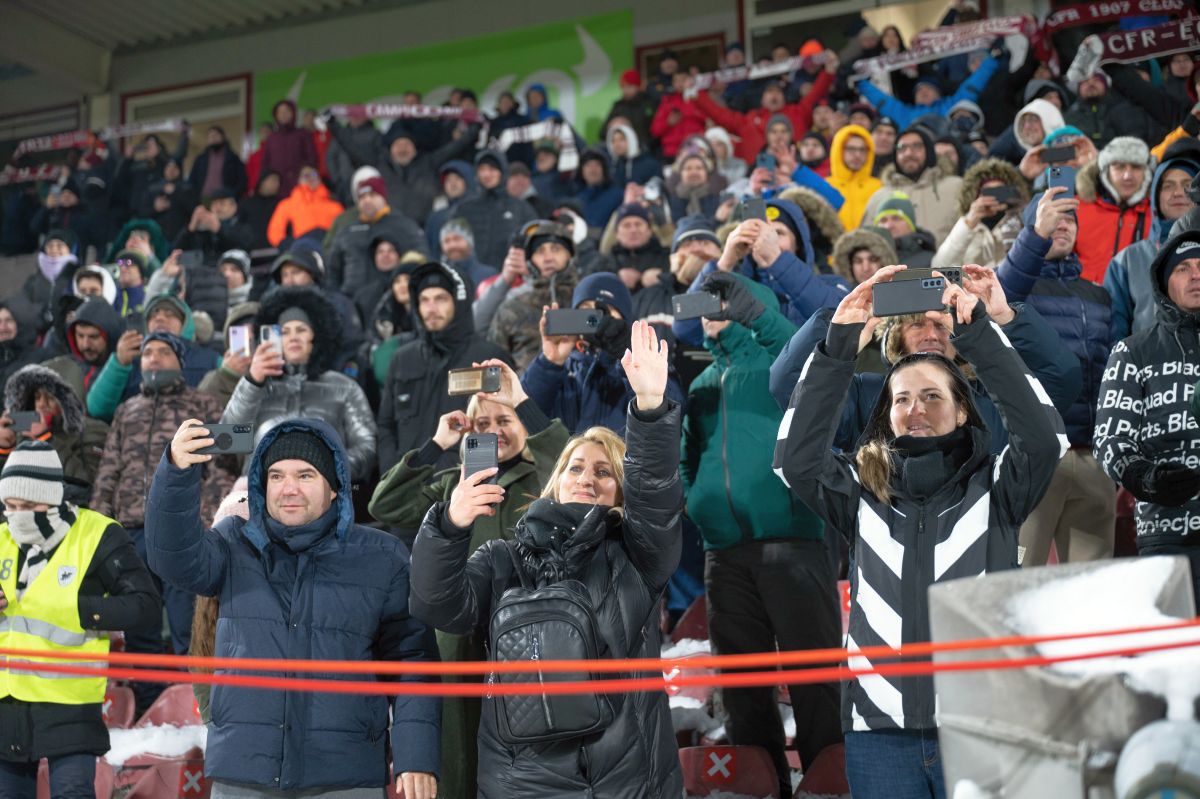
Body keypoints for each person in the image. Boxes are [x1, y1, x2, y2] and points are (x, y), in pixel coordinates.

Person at [774, 265, 1064, 798]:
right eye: (902, 399)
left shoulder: (999, 485)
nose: (915, 410)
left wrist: (979, 335)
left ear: (962, 412)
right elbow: (795, 459)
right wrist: (839, 344)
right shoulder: (861, 491)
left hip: (984, 727)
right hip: (879, 731)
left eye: (932, 396)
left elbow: (1045, 438)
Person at [410, 320, 683, 799]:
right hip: (523, 782)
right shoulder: (501, 559)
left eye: (604, 472)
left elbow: (656, 492)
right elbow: (436, 604)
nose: (586, 478)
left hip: (625, 781)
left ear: (622, 492)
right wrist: (449, 527)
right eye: (575, 467)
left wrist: (649, 406)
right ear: (555, 482)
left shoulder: (639, 557)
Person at [147, 418, 441, 798]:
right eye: (276, 476)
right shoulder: (233, 541)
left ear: (334, 488)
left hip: (345, 777)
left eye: (305, 475)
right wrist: (176, 472)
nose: (289, 488)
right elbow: (172, 559)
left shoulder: (383, 556)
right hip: (244, 774)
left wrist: (415, 755)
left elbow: (414, 661)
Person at [370, 360, 569, 799]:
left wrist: (523, 403)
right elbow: (385, 505)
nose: (494, 431)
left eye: (505, 420)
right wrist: (437, 444)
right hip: (456, 638)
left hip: (528, 637)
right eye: (482, 424)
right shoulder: (452, 486)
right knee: (458, 756)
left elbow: (566, 459)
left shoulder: (547, 479)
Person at [682, 271, 841, 798]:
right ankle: (761, 787)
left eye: (722, 301)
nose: (712, 311)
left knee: (814, 679)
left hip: (791, 541)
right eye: (706, 302)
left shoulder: (778, 365)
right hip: (723, 553)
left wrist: (751, 313)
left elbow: (807, 352)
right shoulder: (702, 383)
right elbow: (687, 458)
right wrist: (698, 502)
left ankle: (828, 785)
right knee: (742, 687)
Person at [769, 265, 1083, 458]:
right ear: (896, 337)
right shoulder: (867, 395)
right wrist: (835, 324)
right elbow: (789, 386)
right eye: (917, 324)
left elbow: (1060, 380)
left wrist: (1005, 317)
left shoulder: (992, 393)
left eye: (942, 324)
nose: (931, 334)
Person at [0, 441, 159, 798]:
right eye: (10, 506)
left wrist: (74, 609)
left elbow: (146, 606)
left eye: (29, 506)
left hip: (70, 703)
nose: (18, 516)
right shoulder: (2, 535)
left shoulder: (98, 534)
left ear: (52, 499)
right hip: (6, 704)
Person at [996, 186, 1116, 565]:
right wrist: (1035, 237)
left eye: (1070, 218)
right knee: (1019, 578)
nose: (1063, 225)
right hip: (1035, 456)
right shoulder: (1011, 289)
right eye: (1052, 217)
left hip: (1092, 456)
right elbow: (998, 296)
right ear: (1032, 226)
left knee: (1094, 582)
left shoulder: (1098, 294)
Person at [1094, 231, 1200, 604]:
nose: (1196, 275)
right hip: (1167, 533)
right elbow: (1110, 440)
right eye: (1183, 268)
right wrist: (1145, 478)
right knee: (1175, 641)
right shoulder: (1132, 351)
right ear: (1163, 282)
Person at [221, 287, 377, 484]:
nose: (293, 337)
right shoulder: (256, 386)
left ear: (316, 336)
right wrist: (252, 382)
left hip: (326, 493)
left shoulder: (344, 387)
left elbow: (367, 446)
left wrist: (329, 470)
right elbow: (227, 442)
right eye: (284, 332)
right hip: (263, 492)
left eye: (301, 330)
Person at [377, 262, 512, 473]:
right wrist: (392, 474)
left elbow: (505, 425)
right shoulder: (402, 358)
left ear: (458, 303)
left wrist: (482, 479)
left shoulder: (490, 357)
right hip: (409, 484)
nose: (431, 309)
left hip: (466, 482)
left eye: (440, 299)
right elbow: (386, 426)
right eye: (424, 300)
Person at [522, 271, 684, 436]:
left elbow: (670, 415)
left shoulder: (644, 361)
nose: (594, 319)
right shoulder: (564, 368)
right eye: (585, 310)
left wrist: (628, 354)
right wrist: (549, 363)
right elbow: (523, 418)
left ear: (624, 318)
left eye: (604, 311)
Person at [675, 199, 849, 348]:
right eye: (759, 233)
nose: (767, 238)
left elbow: (844, 325)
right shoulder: (736, 290)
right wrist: (725, 263)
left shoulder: (831, 283)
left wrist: (777, 260)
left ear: (798, 243)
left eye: (778, 233)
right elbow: (685, 329)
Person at [1104, 147, 1200, 337]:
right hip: (1145, 355)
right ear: (1155, 196)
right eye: (1168, 186)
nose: (1178, 193)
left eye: (1187, 185)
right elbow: (1115, 333)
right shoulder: (1127, 260)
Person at [84, 293, 220, 423]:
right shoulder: (130, 357)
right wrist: (118, 364)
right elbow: (98, 410)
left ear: (185, 323)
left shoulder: (211, 359)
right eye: (153, 316)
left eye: (170, 314)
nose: (159, 318)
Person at [694, 54, 839, 163]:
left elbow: (816, 93)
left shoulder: (798, 112)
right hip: (759, 176)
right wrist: (696, 93)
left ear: (784, 97)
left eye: (778, 92)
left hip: (797, 171)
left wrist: (828, 72)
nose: (774, 95)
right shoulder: (749, 119)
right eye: (769, 92)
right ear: (762, 99)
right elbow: (719, 114)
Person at [1, 363, 109, 505]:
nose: (41, 404)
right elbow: (8, 487)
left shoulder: (93, 430)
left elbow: (88, 482)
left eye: (51, 397)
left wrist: (47, 439)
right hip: (21, 511)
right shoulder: (25, 431)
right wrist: (5, 448)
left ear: (69, 401)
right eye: (36, 397)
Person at [488, 220, 579, 371]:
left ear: (570, 254)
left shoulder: (586, 301)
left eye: (556, 249)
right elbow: (494, 364)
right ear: (530, 260)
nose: (548, 258)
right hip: (524, 385)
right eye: (540, 251)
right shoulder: (513, 308)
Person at [325, 175, 427, 300]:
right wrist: (336, 297)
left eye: (372, 195)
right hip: (350, 299)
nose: (367, 200)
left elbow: (421, 258)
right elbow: (333, 270)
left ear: (383, 197)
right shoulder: (347, 231)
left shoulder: (404, 225)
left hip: (391, 298)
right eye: (362, 197)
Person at [864, 125, 964, 246]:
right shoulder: (880, 196)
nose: (908, 153)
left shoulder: (956, 187)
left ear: (929, 151)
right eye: (902, 148)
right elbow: (867, 242)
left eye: (916, 146)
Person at [1076, 136, 1155, 283]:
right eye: (1119, 167)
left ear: (1147, 172)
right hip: (1082, 294)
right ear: (1106, 171)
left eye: (1136, 167)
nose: (1127, 176)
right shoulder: (1077, 207)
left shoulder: (1158, 213)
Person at [933, 158, 1030, 271]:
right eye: (988, 192)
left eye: (1000, 192)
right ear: (976, 195)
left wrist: (1018, 213)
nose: (994, 198)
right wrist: (969, 223)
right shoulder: (965, 229)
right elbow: (939, 266)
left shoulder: (1020, 223)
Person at [451, 149, 538, 271]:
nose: (486, 174)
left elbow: (534, 243)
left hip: (510, 276)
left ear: (502, 172)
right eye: (482, 169)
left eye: (492, 169)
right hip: (471, 277)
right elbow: (451, 244)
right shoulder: (463, 209)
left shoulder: (521, 208)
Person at [40, 296, 122, 403]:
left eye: (93, 337)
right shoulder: (63, 366)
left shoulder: (123, 371)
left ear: (109, 336)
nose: (85, 345)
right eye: (80, 336)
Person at [266, 164, 344, 246]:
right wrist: (286, 244)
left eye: (313, 174)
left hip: (328, 247)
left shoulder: (334, 205)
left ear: (319, 178)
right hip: (302, 248)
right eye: (305, 175)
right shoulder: (288, 204)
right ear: (298, 179)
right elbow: (275, 231)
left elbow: (344, 227)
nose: (310, 178)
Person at [828, 125, 881, 230]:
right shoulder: (826, 186)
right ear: (839, 150)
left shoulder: (879, 187)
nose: (857, 155)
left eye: (862, 150)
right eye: (851, 149)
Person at [261, 99, 317, 196]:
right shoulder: (272, 138)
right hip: (277, 188)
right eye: (280, 112)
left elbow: (312, 160)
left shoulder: (302, 134)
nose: (283, 114)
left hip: (301, 186)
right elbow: (265, 163)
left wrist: (312, 179)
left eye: (287, 111)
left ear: (293, 113)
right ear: (276, 116)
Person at [871, 192, 937, 269]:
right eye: (883, 220)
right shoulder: (865, 259)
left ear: (911, 224)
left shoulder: (931, 262)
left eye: (896, 218)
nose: (888, 226)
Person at [188, 125, 248, 199]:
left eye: (215, 135)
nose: (212, 138)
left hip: (225, 200)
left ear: (223, 137)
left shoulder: (233, 158)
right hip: (204, 198)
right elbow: (192, 180)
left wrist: (233, 194)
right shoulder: (200, 159)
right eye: (210, 136)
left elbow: (242, 180)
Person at [439, 217, 498, 289]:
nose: (452, 245)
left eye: (457, 239)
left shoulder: (488, 275)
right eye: (447, 241)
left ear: (469, 242)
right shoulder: (439, 277)